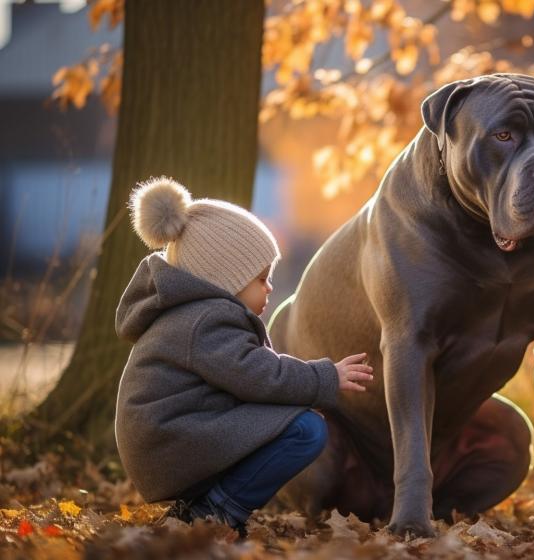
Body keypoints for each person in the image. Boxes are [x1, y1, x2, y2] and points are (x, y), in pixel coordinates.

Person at [114, 177, 374, 536]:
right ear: (226, 279)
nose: (269, 288)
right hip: (170, 443)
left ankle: (206, 502)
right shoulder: (207, 321)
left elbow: (247, 382)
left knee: (291, 418)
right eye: (261, 278)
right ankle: (216, 511)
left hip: (174, 437)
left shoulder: (195, 314)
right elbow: (259, 376)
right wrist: (325, 377)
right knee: (306, 430)